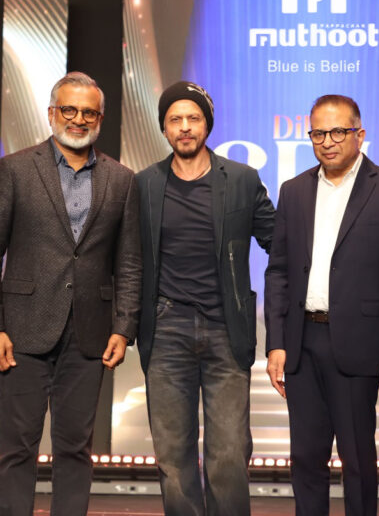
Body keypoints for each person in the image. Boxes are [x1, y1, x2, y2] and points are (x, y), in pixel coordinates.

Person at [0, 71, 142, 516]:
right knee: (17, 447)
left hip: (90, 333)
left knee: (75, 449)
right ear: (52, 113)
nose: (78, 119)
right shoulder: (15, 169)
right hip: (22, 330)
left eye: (88, 112)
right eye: (69, 109)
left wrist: (124, 328)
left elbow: (129, 263)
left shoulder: (122, 180)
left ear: (100, 118)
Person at [265, 94, 379, 516]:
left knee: (357, 460)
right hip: (302, 342)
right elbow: (278, 271)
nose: (327, 142)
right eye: (318, 133)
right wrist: (276, 342)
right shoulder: (294, 191)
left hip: (359, 344)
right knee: (305, 458)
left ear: (359, 134)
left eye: (337, 132)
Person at [136, 81, 275, 516]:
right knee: (172, 455)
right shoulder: (144, 184)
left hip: (225, 328)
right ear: (164, 128)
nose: (185, 127)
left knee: (229, 454)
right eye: (175, 119)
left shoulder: (241, 180)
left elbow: (281, 244)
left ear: (207, 125)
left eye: (193, 118)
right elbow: (128, 259)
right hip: (166, 328)